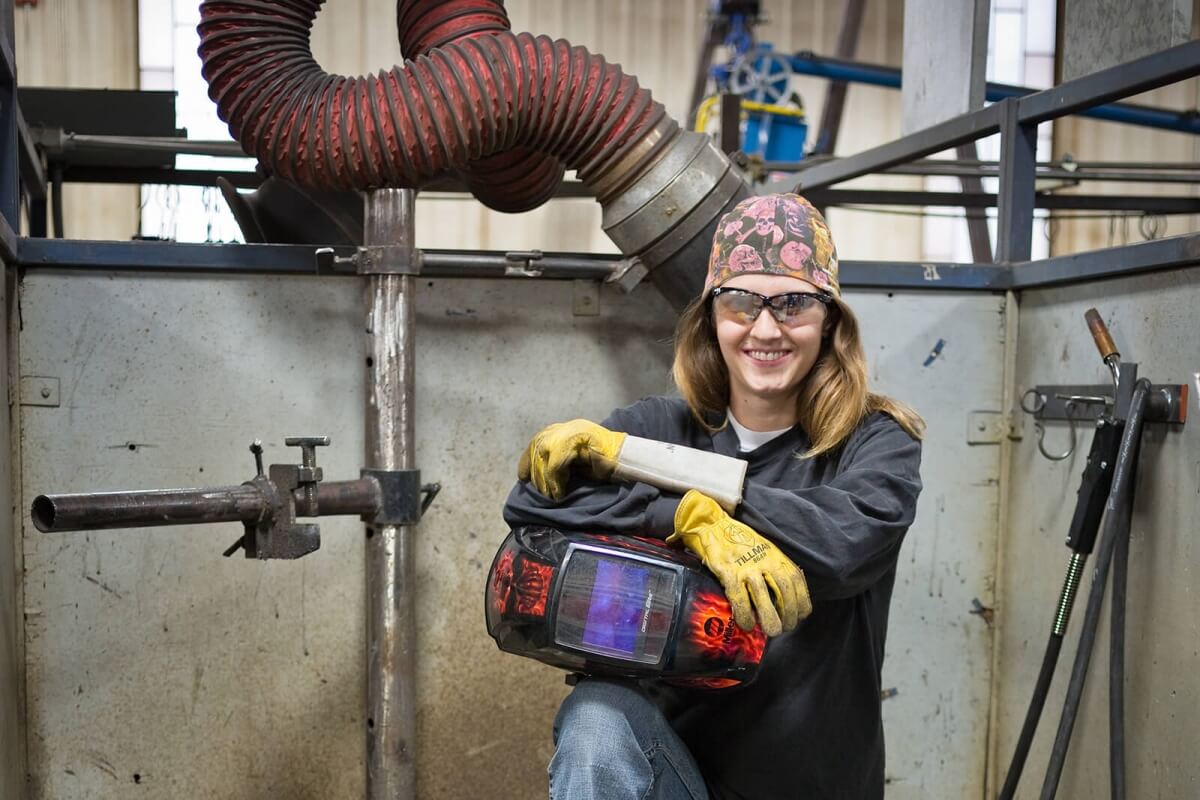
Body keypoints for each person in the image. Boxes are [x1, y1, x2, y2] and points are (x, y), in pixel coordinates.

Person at [504, 193, 925, 800]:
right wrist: (681, 516)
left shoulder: (875, 442)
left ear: (830, 318)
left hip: (810, 785)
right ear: (711, 316)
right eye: (741, 302)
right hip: (674, 777)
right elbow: (532, 510)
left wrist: (684, 483)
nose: (765, 328)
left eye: (794, 303)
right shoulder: (657, 426)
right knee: (595, 719)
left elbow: (843, 546)